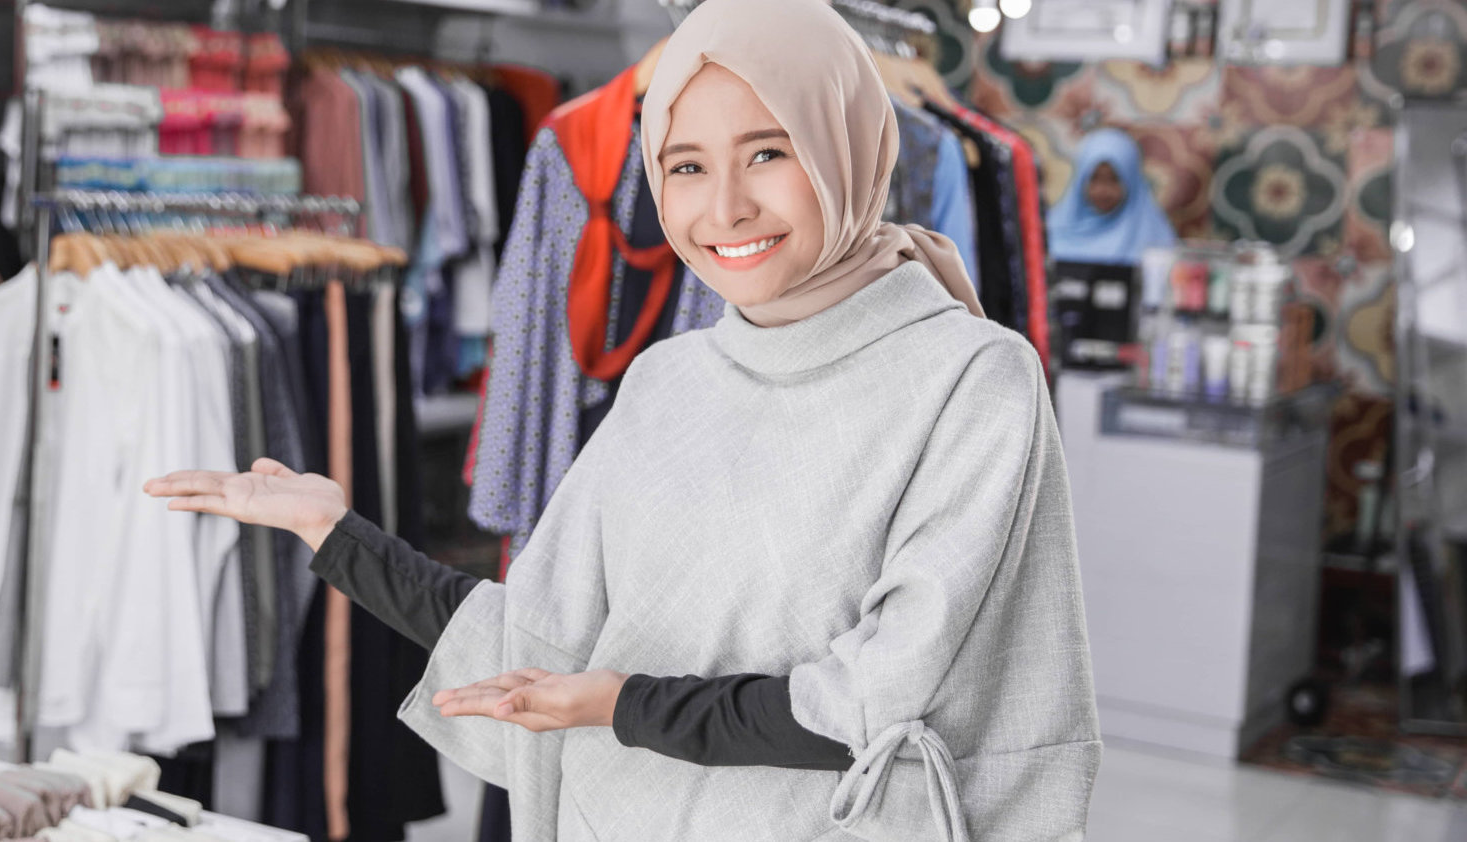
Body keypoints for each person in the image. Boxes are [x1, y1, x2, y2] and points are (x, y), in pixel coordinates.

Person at [146, 0, 1101, 837]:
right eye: (684, 166)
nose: (723, 207)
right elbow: (539, 646)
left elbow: (878, 703)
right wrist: (334, 530)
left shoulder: (969, 380)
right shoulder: (669, 381)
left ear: (846, 144)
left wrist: (623, 705)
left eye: (768, 152)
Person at [1046, 127, 1178, 267]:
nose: (1102, 190)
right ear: (1079, 180)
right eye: (1094, 178)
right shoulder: (1055, 229)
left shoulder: (1155, 236)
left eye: (1114, 179)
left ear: (1132, 180)